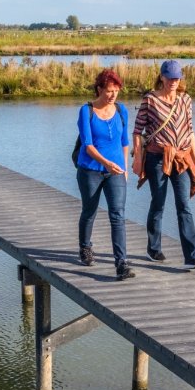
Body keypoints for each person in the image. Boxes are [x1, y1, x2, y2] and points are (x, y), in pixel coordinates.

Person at [131, 59, 195, 269]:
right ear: (162, 77)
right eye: (170, 77)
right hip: (157, 158)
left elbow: (190, 132)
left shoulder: (185, 100)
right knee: (158, 202)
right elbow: (137, 131)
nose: (174, 81)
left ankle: (192, 256)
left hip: (181, 159)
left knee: (184, 205)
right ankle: (153, 249)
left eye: (177, 77)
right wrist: (138, 159)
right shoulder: (150, 100)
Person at [76, 68, 135, 280]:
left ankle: (121, 264)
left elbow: (124, 142)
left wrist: (124, 168)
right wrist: (106, 163)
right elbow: (88, 145)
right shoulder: (87, 111)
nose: (113, 95)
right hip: (90, 171)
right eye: (109, 91)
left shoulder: (121, 111)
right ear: (99, 89)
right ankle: (85, 247)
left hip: (116, 173)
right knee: (89, 211)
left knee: (117, 215)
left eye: (116, 91)